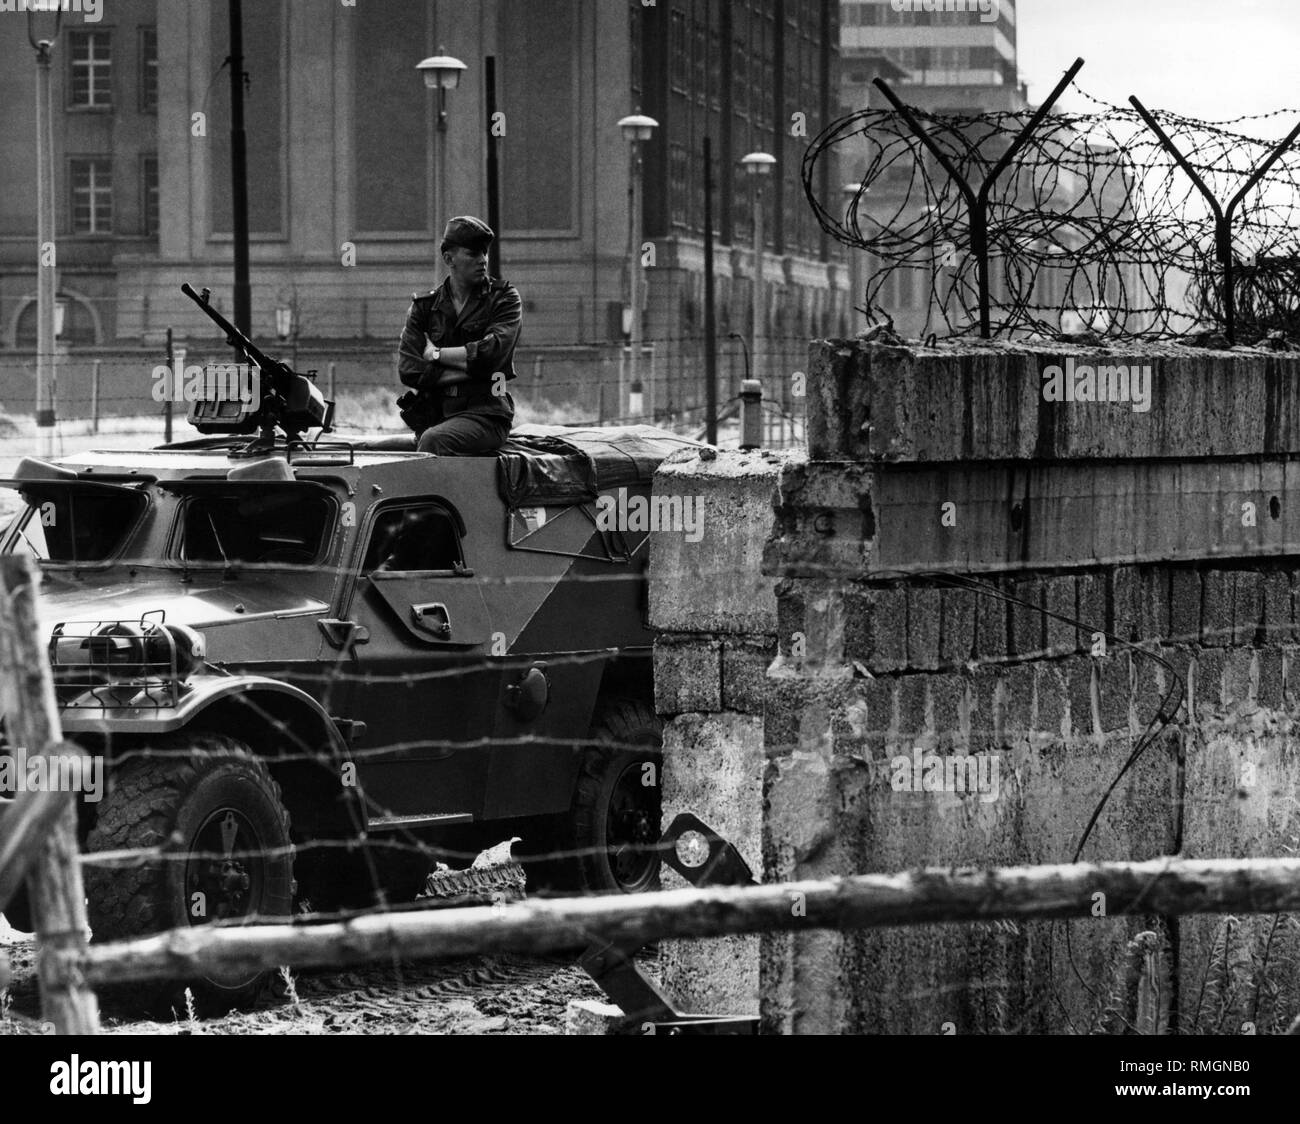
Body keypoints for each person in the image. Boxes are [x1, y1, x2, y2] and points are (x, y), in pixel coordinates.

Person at [397, 216, 520, 455]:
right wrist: (472, 369)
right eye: (473, 254)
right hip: (436, 415)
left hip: (486, 414)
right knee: (383, 450)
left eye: (484, 253)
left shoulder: (503, 298)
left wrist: (435, 354)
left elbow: (492, 356)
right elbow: (409, 369)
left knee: (434, 441)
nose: (483, 261)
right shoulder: (425, 306)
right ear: (448, 259)